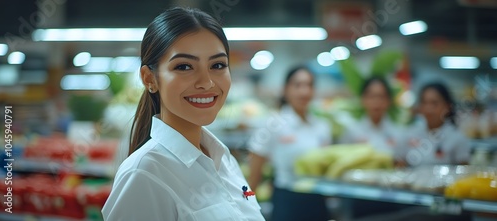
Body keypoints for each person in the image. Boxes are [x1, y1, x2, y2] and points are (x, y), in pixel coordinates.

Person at [102, 7, 265, 221]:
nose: (206, 82)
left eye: (217, 65)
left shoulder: (224, 159)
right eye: (184, 67)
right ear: (149, 79)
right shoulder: (144, 174)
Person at [247, 66, 332, 221]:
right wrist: (246, 204)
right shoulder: (272, 124)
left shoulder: (322, 126)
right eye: (298, 85)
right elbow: (255, 172)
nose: (304, 91)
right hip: (287, 198)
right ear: (286, 90)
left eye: (309, 85)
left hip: (317, 199)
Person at [403, 82, 470, 166]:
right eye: (424, 103)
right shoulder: (411, 133)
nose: (428, 109)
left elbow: (464, 172)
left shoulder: (457, 137)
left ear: (447, 106)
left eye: (434, 103)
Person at [340, 77, 402, 159]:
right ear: (363, 99)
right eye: (372, 96)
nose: (376, 102)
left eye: (381, 96)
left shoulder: (399, 132)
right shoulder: (351, 131)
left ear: (389, 101)